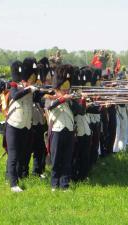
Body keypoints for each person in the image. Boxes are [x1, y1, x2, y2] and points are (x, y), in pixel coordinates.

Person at [45, 64, 83, 191]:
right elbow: (49, 106)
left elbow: (80, 111)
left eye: (68, 88)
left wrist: (75, 99)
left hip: (69, 130)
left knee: (67, 159)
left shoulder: (70, 99)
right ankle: (54, 184)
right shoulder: (49, 96)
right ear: (58, 86)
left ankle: (64, 184)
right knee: (56, 160)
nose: (66, 90)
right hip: (56, 131)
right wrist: (62, 99)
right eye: (64, 87)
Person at [5, 59, 38, 192]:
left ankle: (17, 176)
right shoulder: (14, 86)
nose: (32, 81)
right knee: (13, 155)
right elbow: (15, 96)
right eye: (30, 78)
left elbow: (39, 98)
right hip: (14, 125)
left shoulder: (31, 88)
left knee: (22, 154)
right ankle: (13, 184)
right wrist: (28, 89)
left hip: (25, 126)